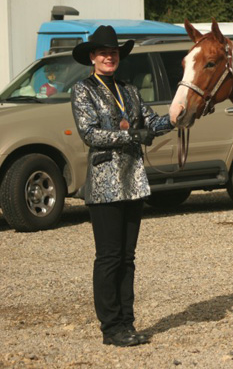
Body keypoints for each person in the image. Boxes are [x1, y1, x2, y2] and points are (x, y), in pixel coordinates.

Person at [70, 25, 184, 347]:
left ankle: (127, 323)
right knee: (108, 257)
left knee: (128, 258)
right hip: (104, 186)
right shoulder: (83, 91)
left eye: (114, 52)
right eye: (104, 52)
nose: (110, 57)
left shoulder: (129, 90)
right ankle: (110, 327)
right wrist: (131, 136)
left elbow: (151, 122)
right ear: (93, 57)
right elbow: (90, 134)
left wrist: (177, 118)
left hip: (132, 183)